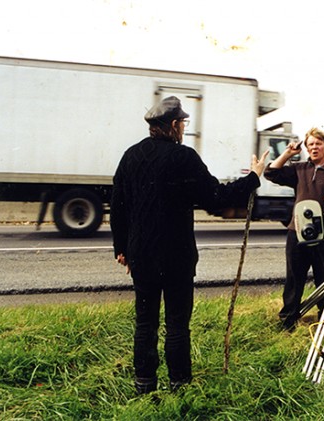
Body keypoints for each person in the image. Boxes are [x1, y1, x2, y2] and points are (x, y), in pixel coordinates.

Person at [110, 96, 269, 394]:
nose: (183, 128)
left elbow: (117, 206)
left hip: (141, 256)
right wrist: (255, 177)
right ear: (173, 125)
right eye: (182, 123)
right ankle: (179, 385)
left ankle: (144, 384)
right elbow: (218, 199)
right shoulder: (183, 158)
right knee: (177, 324)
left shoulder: (129, 156)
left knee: (145, 322)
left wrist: (121, 247)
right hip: (176, 258)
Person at [264, 127, 324, 331]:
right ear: (306, 148)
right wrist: (288, 153)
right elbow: (271, 172)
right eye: (310, 144)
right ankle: (288, 322)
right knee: (294, 279)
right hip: (297, 232)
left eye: (318, 144)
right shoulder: (300, 169)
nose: (314, 147)